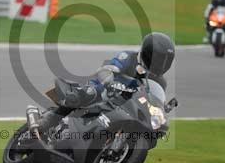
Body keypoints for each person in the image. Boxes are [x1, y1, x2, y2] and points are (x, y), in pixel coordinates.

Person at [33, 32, 176, 132]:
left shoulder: (160, 81)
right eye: (158, 59)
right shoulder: (129, 56)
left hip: (127, 106)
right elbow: (108, 68)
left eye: (165, 61)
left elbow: (154, 101)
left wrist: (163, 109)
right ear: (147, 52)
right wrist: (109, 80)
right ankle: (48, 121)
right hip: (106, 91)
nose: (161, 64)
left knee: (151, 127)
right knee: (86, 94)